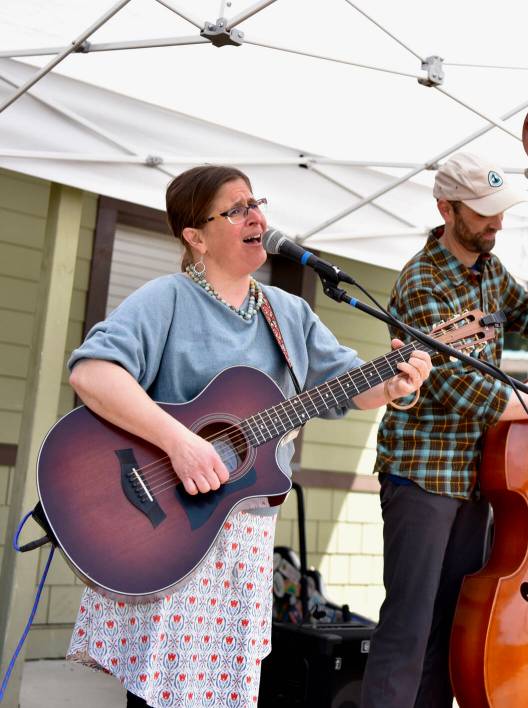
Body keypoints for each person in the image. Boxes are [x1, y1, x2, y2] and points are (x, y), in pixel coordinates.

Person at [65, 165, 432, 708]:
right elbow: (91, 373)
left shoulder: (289, 313)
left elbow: (349, 388)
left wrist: (397, 382)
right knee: (158, 693)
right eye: (236, 209)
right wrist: (180, 442)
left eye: (255, 203)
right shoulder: (167, 299)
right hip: (170, 526)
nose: (255, 215)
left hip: (244, 541)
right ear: (196, 236)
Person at [361, 152, 528, 708]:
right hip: (422, 478)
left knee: (451, 631)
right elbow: (462, 390)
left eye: (500, 211)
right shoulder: (423, 282)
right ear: (446, 209)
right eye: (483, 213)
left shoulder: (488, 271)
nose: (497, 223)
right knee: (408, 630)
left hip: (476, 481)